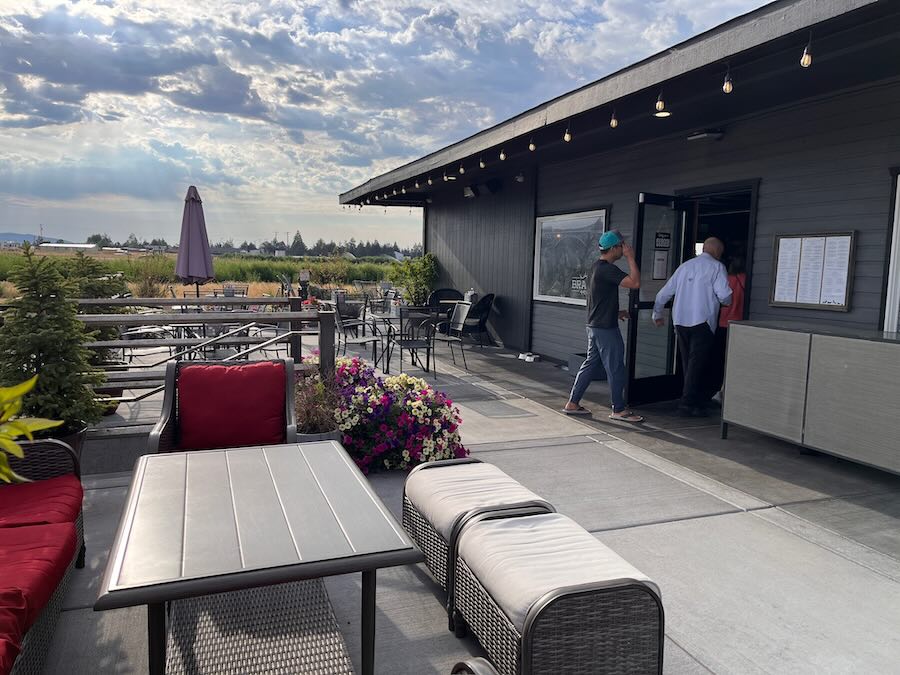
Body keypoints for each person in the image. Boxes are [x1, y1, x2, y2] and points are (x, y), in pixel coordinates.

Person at [564, 230, 644, 423]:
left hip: (594, 325)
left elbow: (597, 299)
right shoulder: (608, 269)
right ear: (614, 248)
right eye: (622, 245)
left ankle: (573, 403)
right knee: (616, 367)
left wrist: (616, 313)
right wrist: (631, 257)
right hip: (605, 328)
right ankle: (619, 409)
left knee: (590, 364)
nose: (624, 248)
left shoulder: (595, 267)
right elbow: (635, 282)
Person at [652, 237, 732, 416]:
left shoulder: (685, 266)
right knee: (697, 363)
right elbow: (725, 295)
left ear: (703, 248)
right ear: (718, 251)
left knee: (688, 362)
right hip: (702, 322)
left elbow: (664, 293)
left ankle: (693, 399)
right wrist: (727, 302)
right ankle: (688, 403)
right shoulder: (717, 267)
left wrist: (657, 313)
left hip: (680, 320)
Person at [710, 256, 746, 400]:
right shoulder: (746, 279)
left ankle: (717, 389)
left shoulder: (726, 280)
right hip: (740, 324)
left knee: (720, 358)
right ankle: (726, 390)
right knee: (734, 359)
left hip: (723, 323)